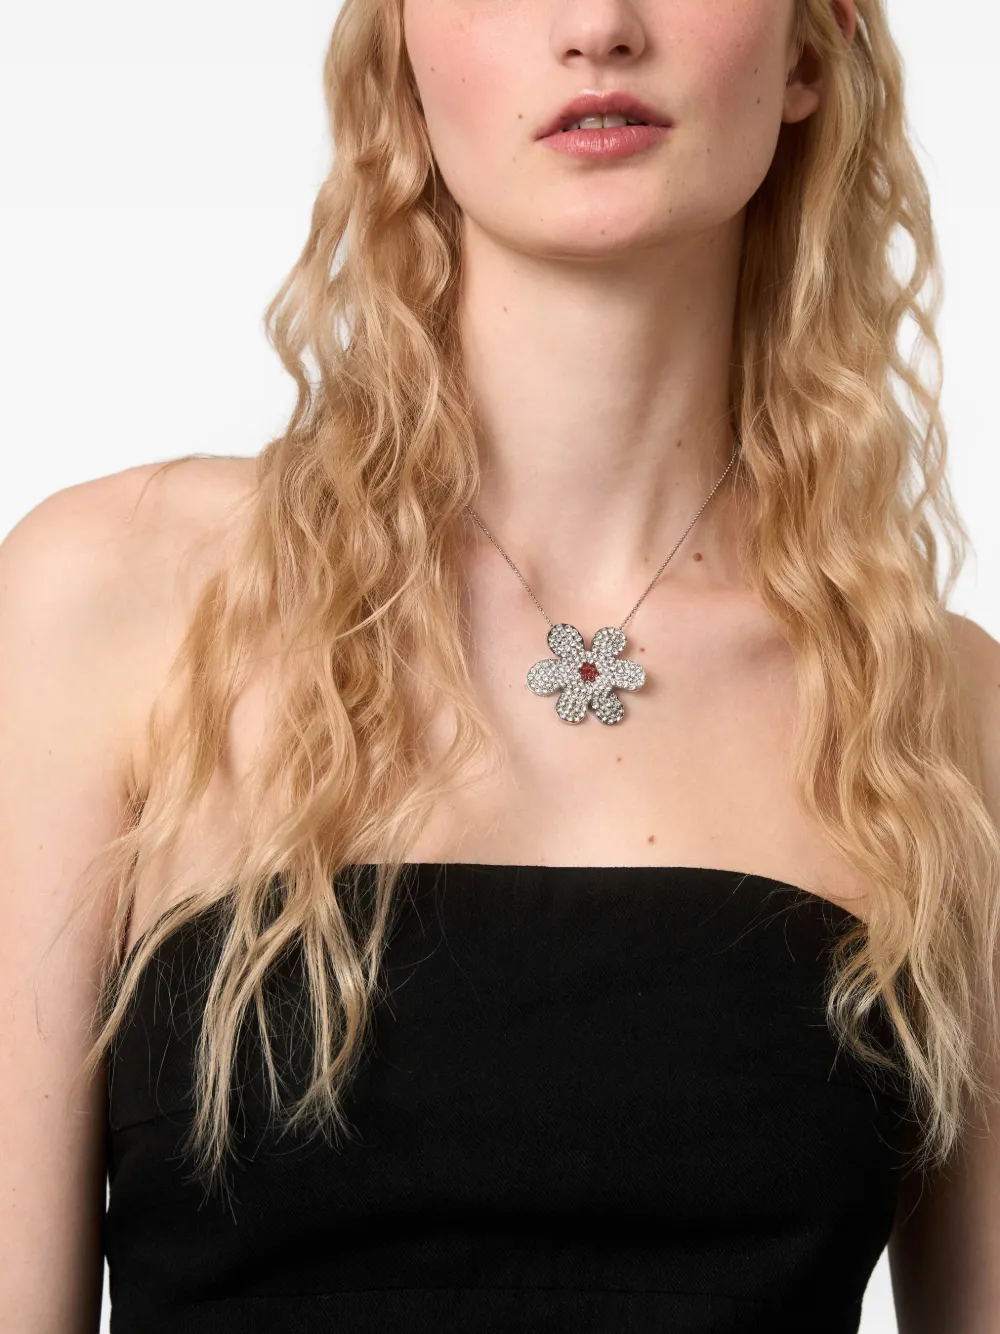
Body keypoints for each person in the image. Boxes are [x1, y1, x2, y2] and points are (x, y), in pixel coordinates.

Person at [2, 0, 999, 1330]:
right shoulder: (109, 602)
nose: (598, 25)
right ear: (402, 55)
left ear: (809, 53)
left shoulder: (941, 723)